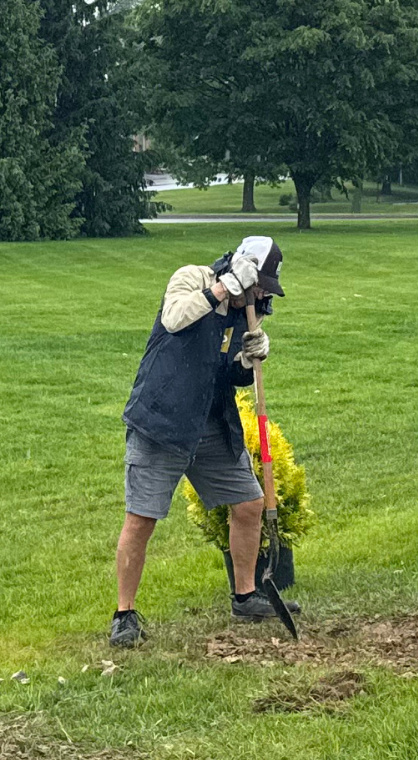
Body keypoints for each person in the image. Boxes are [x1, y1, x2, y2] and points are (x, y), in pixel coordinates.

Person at [110, 235, 296, 648]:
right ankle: (124, 615)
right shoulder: (191, 279)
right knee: (142, 518)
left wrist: (247, 362)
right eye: (260, 282)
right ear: (242, 269)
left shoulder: (249, 311)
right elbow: (176, 320)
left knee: (249, 504)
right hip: (161, 421)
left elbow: (229, 373)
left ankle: (245, 595)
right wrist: (222, 288)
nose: (264, 293)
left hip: (211, 423)